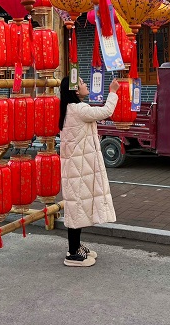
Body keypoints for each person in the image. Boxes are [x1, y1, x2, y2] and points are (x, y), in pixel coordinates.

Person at [59, 75, 121, 267]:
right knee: (77, 208)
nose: (86, 85)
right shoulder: (79, 109)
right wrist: (113, 92)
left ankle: (76, 247)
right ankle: (72, 254)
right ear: (75, 90)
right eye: (83, 83)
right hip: (79, 168)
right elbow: (106, 111)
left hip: (77, 167)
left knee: (77, 206)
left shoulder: (70, 109)